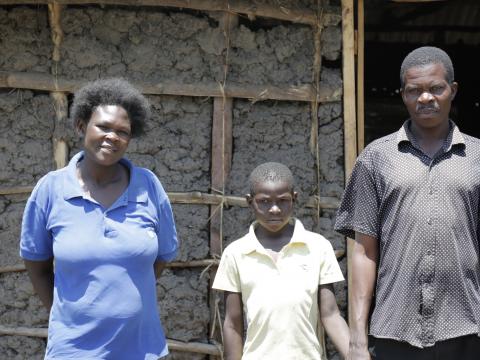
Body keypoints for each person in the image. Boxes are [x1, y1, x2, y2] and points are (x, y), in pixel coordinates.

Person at [335, 46, 480, 360]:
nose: (425, 98)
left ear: (452, 91)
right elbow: (363, 250)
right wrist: (358, 336)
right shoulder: (376, 158)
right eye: (414, 91)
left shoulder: (477, 157)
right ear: (402, 95)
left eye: (435, 89)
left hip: (467, 326)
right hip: (395, 327)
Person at [19, 78, 178, 359]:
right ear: (82, 126)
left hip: (142, 350)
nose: (112, 136)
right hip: (73, 351)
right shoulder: (51, 190)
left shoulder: (149, 187)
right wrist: (71, 316)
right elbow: (37, 265)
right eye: (103, 126)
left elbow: (161, 258)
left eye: (122, 132)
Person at [213, 162, 349, 360]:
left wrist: (355, 355)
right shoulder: (236, 253)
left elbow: (330, 314)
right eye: (264, 201)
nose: (275, 209)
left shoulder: (317, 247)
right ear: (250, 202)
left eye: (283, 200)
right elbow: (232, 323)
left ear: (294, 199)